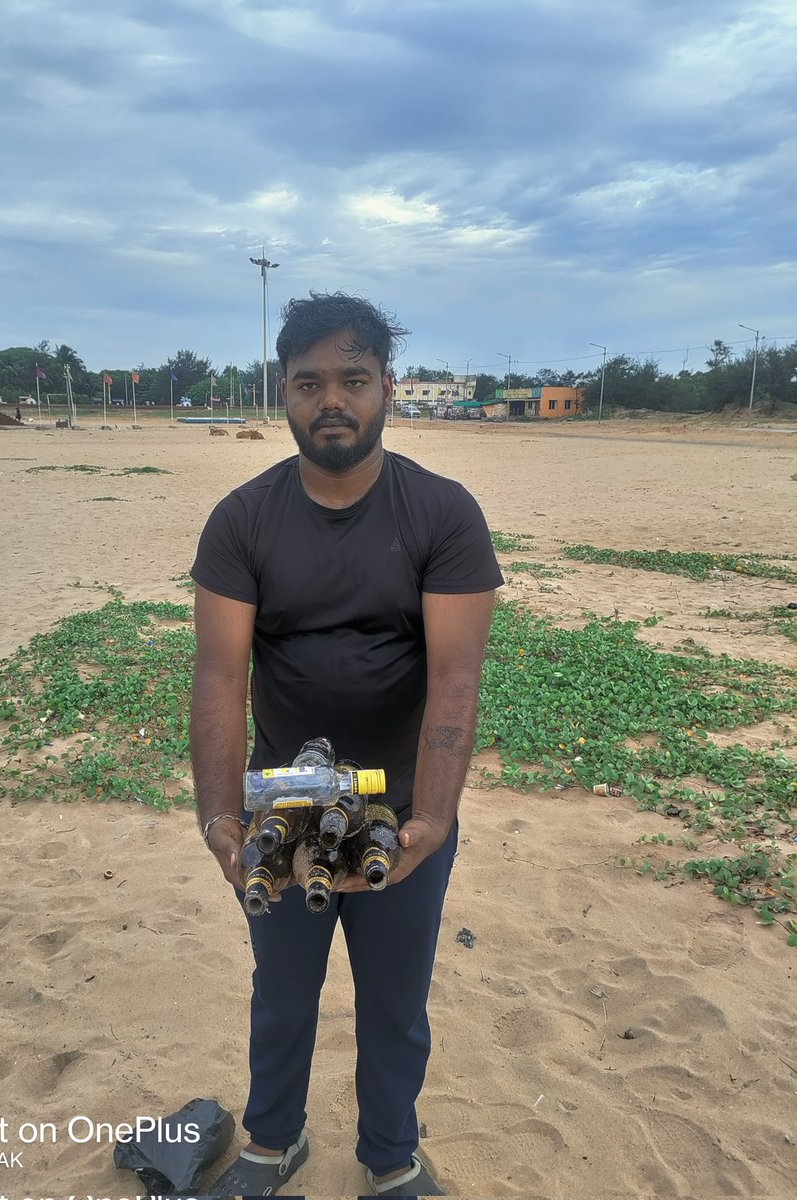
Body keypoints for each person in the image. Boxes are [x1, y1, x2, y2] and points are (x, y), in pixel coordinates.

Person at [190, 292, 503, 1197]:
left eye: (353, 379)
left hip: (400, 801)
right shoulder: (242, 519)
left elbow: (454, 676)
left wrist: (432, 820)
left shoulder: (442, 513)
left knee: (395, 1005)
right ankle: (271, 1143)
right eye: (309, 382)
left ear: (387, 390)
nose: (332, 399)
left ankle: (390, 1158)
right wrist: (219, 814)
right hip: (283, 804)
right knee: (282, 992)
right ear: (282, 393)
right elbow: (219, 676)